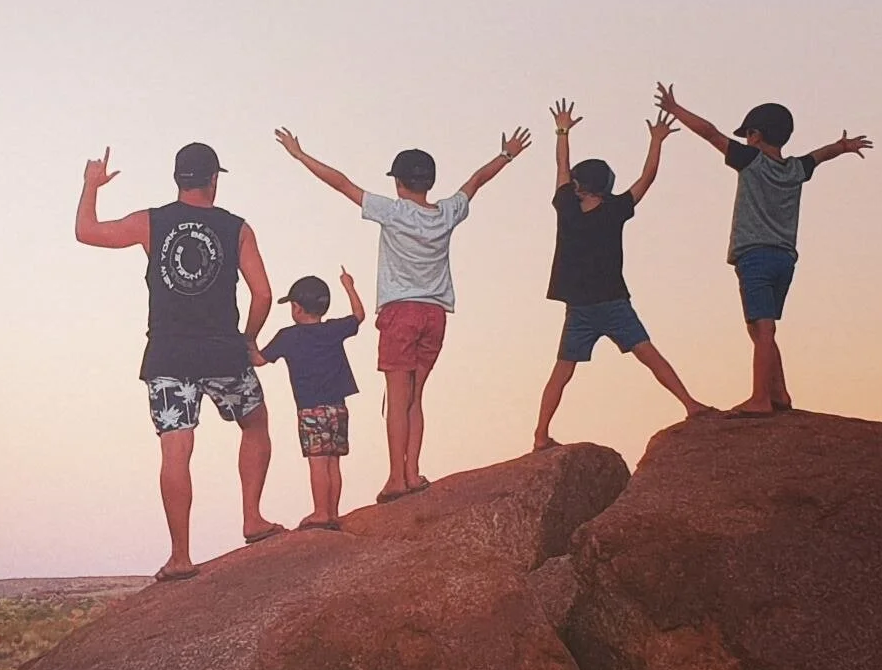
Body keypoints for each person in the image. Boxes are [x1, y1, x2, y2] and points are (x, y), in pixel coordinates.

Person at [276, 123, 532, 502]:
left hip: (401, 313)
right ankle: (413, 472)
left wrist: (300, 156)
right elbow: (476, 181)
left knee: (396, 398)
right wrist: (507, 154)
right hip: (435, 314)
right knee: (416, 397)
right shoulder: (446, 213)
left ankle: (397, 477)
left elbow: (342, 184)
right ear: (429, 182)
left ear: (399, 183)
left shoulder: (393, 213)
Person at [75, 141, 281, 581]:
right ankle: (252, 518)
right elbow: (263, 293)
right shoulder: (237, 229)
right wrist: (249, 339)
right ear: (214, 180)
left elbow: (87, 231)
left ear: (176, 180)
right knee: (256, 424)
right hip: (224, 349)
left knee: (176, 449)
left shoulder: (152, 223)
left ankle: (181, 555)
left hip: (169, 354)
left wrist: (91, 185)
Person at [655, 83, 872, 414]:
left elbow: (710, 133)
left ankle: (760, 399)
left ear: (755, 135)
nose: (743, 140)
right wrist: (843, 146)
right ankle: (779, 394)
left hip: (755, 254)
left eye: (747, 135)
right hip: (785, 259)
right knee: (761, 328)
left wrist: (675, 108)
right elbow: (821, 155)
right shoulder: (796, 168)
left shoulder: (751, 161)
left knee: (763, 326)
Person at [533, 99, 709, 450]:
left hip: (580, 308)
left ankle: (540, 435)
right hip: (613, 302)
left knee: (562, 371)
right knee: (649, 354)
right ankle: (690, 404)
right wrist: (656, 142)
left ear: (580, 186)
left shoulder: (567, 207)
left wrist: (563, 130)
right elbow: (647, 179)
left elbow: (561, 166)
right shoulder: (615, 210)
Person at [257, 269, 366, 530]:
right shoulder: (333, 329)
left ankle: (320, 512)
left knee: (317, 461)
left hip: (310, 410)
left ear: (296, 307)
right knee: (333, 460)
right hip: (338, 407)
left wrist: (245, 342)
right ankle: (333, 512)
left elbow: (259, 359)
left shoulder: (288, 336)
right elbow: (359, 316)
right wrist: (349, 286)